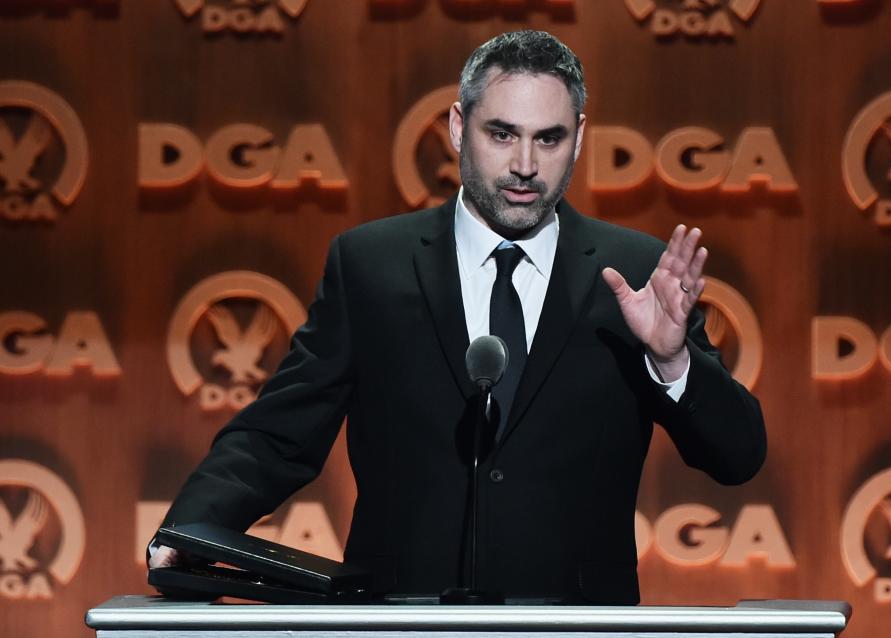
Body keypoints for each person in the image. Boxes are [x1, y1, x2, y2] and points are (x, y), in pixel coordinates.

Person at [149, 30, 765, 604]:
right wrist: (189, 530)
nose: (525, 163)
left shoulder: (634, 272)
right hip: (399, 617)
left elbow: (737, 457)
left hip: (578, 624)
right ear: (456, 126)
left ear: (578, 137)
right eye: (501, 134)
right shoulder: (370, 265)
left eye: (548, 138)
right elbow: (278, 435)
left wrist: (671, 359)